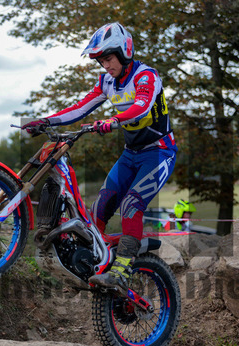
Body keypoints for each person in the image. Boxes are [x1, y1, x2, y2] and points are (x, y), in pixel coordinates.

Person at [23, 22, 177, 289]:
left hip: (159, 153)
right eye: (101, 61)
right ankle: (94, 262)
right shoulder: (106, 81)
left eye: (108, 58)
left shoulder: (146, 76)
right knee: (99, 208)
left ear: (124, 51)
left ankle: (122, 269)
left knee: (131, 205)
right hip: (131, 154)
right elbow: (80, 108)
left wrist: (113, 120)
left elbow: (141, 108)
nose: (106, 65)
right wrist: (46, 121)